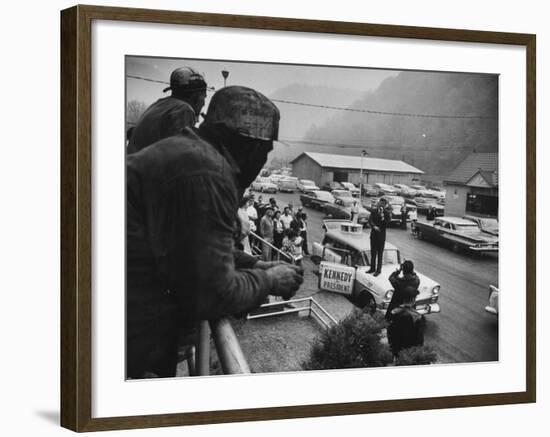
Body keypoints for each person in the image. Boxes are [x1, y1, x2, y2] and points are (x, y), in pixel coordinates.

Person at [126, 86, 304, 379]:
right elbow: (212, 293)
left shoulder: (192, 152)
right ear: (251, 147)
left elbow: (192, 246)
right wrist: (268, 280)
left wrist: (253, 264)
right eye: (265, 151)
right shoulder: (209, 173)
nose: (261, 164)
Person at [127, 67, 208, 154]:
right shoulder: (184, 110)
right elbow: (180, 153)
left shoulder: (161, 104)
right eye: (203, 97)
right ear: (195, 96)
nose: (203, 104)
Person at [386, 286, 425, 357]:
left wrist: (393, 348)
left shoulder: (394, 312)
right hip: (409, 353)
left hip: (396, 349)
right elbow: (419, 340)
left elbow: (390, 331)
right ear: (414, 299)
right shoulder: (417, 317)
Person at [367, 197, 391, 276]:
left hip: (381, 236)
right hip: (374, 235)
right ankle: (372, 268)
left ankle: (378, 270)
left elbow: (387, 223)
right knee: (373, 252)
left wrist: (383, 217)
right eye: (380, 203)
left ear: (385, 205)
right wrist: (374, 226)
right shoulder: (374, 211)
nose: (381, 205)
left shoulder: (387, 213)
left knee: (380, 253)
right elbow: (370, 220)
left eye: (383, 204)